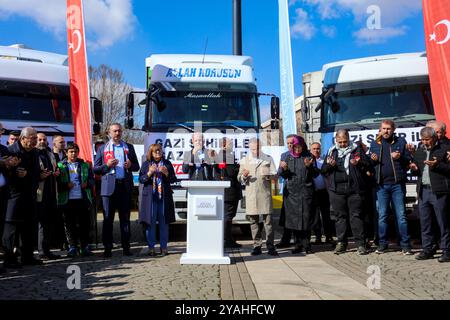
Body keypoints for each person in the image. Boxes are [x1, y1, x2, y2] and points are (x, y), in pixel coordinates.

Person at [94, 123, 140, 257]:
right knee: (108, 219)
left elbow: (136, 166)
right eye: (114, 131)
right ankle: (107, 248)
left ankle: (126, 247)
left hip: (124, 187)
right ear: (109, 132)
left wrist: (131, 165)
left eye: (119, 131)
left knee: (125, 219)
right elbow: (96, 169)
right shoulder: (103, 148)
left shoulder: (128, 147)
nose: (117, 133)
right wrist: (107, 165)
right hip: (109, 188)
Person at [322, 129, 369, 255]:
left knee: (356, 216)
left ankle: (360, 244)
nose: (342, 144)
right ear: (336, 140)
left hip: (354, 189)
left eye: (345, 141)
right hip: (336, 190)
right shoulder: (332, 151)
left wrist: (359, 163)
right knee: (340, 217)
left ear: (348, 138)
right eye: (340, 142)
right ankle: (341, 243)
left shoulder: (356, 149)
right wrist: (329, 165)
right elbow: (324, 171)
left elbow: (368, 164)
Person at [369, 120, 413, 255]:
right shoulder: (374, 143)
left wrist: (400, 157)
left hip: (397, 185)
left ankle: (405, 245)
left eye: (388, 129)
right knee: (382, 216)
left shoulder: (400, 142)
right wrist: (372, 159)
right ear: (380, 130)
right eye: (383, 129)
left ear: (393, 130)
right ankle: (383, 244)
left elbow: (408, 162)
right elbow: (370, 164)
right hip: (381, 186)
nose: (386, 131)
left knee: (401, 216)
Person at [3, 127, 42, 267]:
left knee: (29, 228)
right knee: (12, 230)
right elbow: (4, 174)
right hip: (14, 197)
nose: (34, 141)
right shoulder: (11, 151)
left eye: (35, 138)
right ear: (23, 138)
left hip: (30, 195)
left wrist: (39, 176)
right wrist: (15, 174)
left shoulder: (35, 152)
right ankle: (10, 259)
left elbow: (35, 172)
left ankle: (28, 257)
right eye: (32, 138)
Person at [410, 127, 450, 263]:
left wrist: (437, 165)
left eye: (427, 139)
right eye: (422, 139)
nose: (425, 142)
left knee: (443, 222)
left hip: (439, 191)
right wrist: (414, 169)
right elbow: (418, 171)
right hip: (424, 191)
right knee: (425, 222)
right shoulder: (420, 151)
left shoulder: (443, 149)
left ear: (434, 138)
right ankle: (428, 248)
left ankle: (447, 250)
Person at [279, 136, 320, 254]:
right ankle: (297, 244)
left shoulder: (309, 156)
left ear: (303, 146)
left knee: (306, 219)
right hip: (292, 193)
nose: (297, 149)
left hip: (306, 192)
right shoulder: (286, 157)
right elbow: (283, 175)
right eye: (295, 147)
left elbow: (316, 174)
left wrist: (309, 166)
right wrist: (285, 169)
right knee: (294, 220)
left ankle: (307, 244)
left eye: (299, 147)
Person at [238, 138, 278, 256]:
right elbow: (239, 177)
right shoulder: (244, 160)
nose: (255, 151)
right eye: (252, 149)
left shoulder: (268, 158)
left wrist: (269, 176)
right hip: (251, 195)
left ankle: (270, 246)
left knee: (268, 222)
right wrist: (243, 176)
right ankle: (256, 246)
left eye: (257, 148)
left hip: (265, 194)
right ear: (249, 148)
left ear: (260, 147)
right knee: (253, 222)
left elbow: (275, 175)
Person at [57, 143, 95, 257]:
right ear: (66, 153)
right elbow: (57, 183)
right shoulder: (60, 165)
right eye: (71, 152)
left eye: (75, 151)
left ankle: (84, 247)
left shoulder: (84, 165)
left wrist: (87, 184)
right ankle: (72, 247)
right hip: (67, 200)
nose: (73, 154)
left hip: (82, 198)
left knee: (84, 225)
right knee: (70, 225)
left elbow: (92, 180)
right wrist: (65, 185)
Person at [139, 144, 177, 256]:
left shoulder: (167, 164)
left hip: (163, 198)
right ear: (151, 153)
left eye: (159, 151)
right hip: (150, 199)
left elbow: (173, 179)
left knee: (164, 224)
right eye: (155, 151)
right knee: (150, 223)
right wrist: (149, 173)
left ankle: (164, 247)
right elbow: (142, 179)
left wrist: (166, 173)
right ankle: (151, 247)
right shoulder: (146, 164)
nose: (158, 153)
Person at [214, 137, 243, 248]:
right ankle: (227, 240)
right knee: (228, 216)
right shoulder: (227, 155)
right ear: (224, 145)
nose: (232, 146)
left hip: (226, 190)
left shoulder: (219, 155)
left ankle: (227, 239)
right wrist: (239, 167)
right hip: (230, 191)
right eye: (230, 144)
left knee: (227, 216)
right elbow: (231, 172)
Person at [36, 133, 61, 260]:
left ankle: (47, 250)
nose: (42, 141)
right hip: (39, 195)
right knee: (41, 224)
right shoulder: (34, 155)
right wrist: (39, 176)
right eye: (39, 139)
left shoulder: (51, 154)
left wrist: (57, 173)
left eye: (44, 139)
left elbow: (56, 169)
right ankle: (40, 251)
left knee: (49, 223)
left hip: (52, 193)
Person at [275, 134, 297, 249]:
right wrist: (282, 169)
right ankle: (286, 239)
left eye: (291, 143)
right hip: (289, 190)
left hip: (300, 190)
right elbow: (280, 173)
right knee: (287, 215)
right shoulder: (284, 155)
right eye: (288, 143)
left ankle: (300, 241)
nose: (290, 145)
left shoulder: (302, 154)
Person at [310, 141, 334, 245]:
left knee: (326, 216)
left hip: (324, 192)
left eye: (318, 148)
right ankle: (318, 237)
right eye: (314, 149)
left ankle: (329, 236)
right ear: (311, 150)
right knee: (315, 217)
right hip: (313, 192)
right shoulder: (309, 161)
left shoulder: (324, 160)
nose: (316, 150)